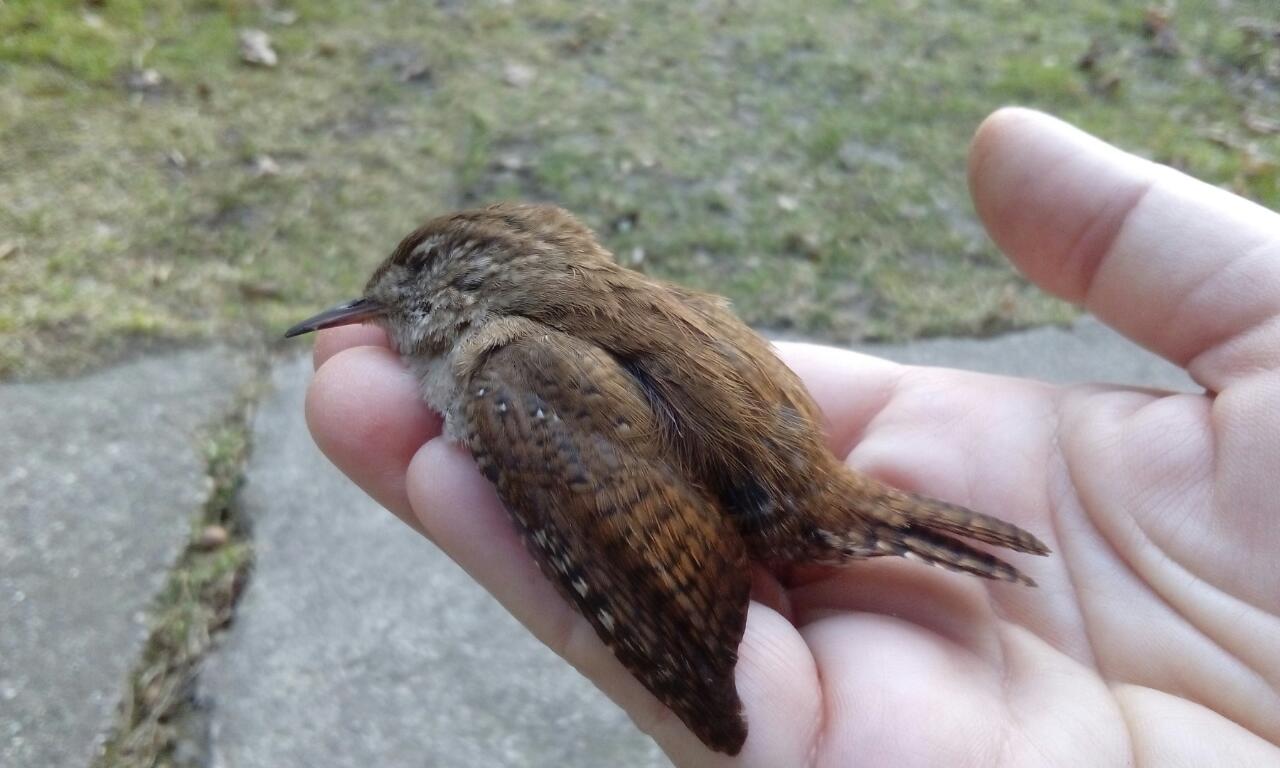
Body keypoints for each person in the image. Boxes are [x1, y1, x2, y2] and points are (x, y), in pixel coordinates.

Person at [301, 108, 1280, 765]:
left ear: (462, 289)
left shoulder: (511, 369)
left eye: (403, 289)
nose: (379, 316)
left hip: (754, 504)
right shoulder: (582, 321)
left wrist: (682, 649)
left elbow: (616, 547)